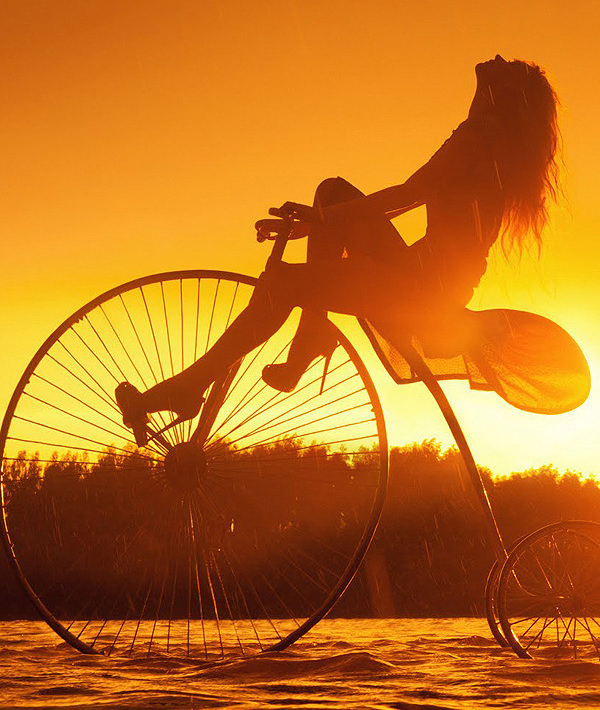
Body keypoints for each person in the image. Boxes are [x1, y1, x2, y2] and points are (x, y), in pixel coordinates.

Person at [116, 55, 561, 446]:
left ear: (499, 96)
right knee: (332, 191)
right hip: (425, 279)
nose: (494, 61)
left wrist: (321, 222)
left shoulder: (478, 139)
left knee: (282, 284)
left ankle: (187, 390)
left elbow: (408, 193)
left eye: (496, 75)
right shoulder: (497, 149)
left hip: (420, 289)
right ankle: (311, 332)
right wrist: (319, 220)